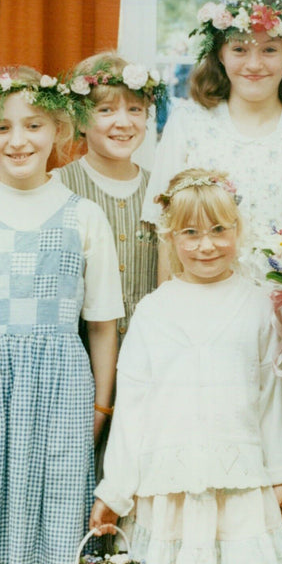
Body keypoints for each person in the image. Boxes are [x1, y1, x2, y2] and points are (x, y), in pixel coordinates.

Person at [138, 0, 282, 564]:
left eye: (270, 49)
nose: (255, 62)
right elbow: (163, 228)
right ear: (218, 54)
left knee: (278, 455)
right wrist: (167, 315)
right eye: (240, 47)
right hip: (201, 318)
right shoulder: (191, 125)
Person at [0, 66, 124, 564]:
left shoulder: (83, 216)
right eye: (1, 127)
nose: (18, 140)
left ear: (59, 130)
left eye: (33, 125)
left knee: (57, 516)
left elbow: (102, 324)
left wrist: (101, 403)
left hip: (61, 389)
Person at [89, 168, 282, 564]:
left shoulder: (258, 305)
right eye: (190, 233)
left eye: (219, 229)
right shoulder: (153, 311)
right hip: (169, 488)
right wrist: (114, 490)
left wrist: (279, 476)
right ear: (170, 237)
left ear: (239, 230)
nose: (206, 246)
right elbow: (132, 408)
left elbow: (271, 399)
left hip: (238, 484)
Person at [58, 51, 165, 346]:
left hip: (147, 354)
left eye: (134, 109)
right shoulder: (57, 186)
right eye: (106, 110)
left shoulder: (161, 192)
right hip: (78, 355)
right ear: (79, 121)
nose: (123, 122)